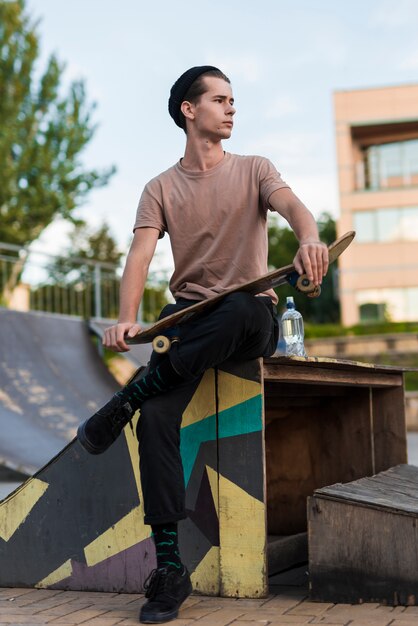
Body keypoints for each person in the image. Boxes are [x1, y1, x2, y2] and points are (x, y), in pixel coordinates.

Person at [77, 65, 329, 624]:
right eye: (220, 100)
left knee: (240, 307)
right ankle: (169, 567)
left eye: (233, 100)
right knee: (159, 420)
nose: (232, 108)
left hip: (247, 318)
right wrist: (125, 320)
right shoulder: (160, 188)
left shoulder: (254, 169)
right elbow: (140, 256)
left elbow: (295, 211)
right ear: (189, 111)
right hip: (186, 320)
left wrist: (310, 240)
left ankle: (124, 401)